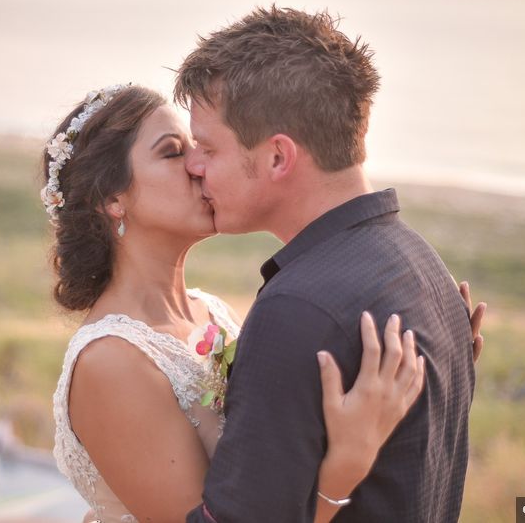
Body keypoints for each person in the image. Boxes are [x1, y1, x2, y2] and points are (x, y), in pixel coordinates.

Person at [44, 83, 486, 522]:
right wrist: (342, 470)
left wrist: (437, 360)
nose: (198, 165)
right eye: (173, 152)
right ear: (112, 200)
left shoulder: (211, 312)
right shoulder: (112, 362)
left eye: (198, 148)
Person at [173, 6, 480, 522]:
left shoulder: (298, 311)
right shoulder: (427, 268)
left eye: (207, 147)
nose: (193, 165)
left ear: (278, 158)